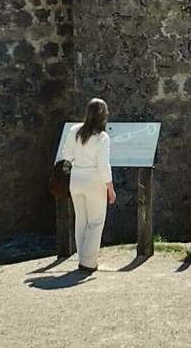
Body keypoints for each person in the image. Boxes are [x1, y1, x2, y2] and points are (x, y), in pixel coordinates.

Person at [62, 97, 116, 272]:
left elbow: (67, 155)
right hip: (94, 181)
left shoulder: (74, 131)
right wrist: (110, 187)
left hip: (76, 179)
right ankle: (89, 261)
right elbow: (103, 166)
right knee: (96, 222)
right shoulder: (102, 137)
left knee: (81, 221)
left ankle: (82, 258)